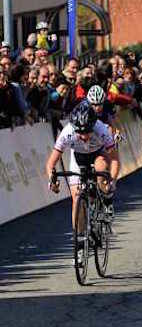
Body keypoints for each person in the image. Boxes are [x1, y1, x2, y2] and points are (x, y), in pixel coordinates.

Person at [46, 102, 119, 263]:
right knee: (76, 199)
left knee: (101, 168)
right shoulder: (67, 132)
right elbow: (51, 163)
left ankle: (105, 200)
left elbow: (114, 159)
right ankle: (79, 244)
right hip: (78, 159)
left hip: (98, 154)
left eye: (87, 131)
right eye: (80, 132)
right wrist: (52, 179)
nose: (84, 136)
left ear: (94, 125)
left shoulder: (101, 130)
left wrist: (112, 181)